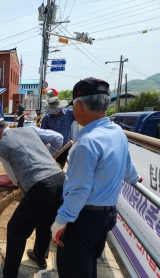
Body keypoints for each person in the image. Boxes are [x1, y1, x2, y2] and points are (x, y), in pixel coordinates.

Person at [51, 77, 141, 278]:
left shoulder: (87, 143)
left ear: (80, 106)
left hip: (84, 218)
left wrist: (59, 222)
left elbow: (79, 190)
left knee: (74, 270)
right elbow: (128, 168)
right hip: (107, 216)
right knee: (88, 266)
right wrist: (135, 179)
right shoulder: (118, 131)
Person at [0, 114, 65, 278]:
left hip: (41, 187)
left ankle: (9, 274)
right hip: (60, 180)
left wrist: (22, 185)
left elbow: (13, 176)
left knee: (16, 229)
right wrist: (49, 158)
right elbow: (58, 137)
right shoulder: (30, 130)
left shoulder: (1, 148)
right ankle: (40, 256)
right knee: (44, 221)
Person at [40, 96, 75, 169]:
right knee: (50, 169)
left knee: (60, 167)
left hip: (64, 147)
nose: (55, 112)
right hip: (51, 149)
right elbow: (42, 136)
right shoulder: (47, 118)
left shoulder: (69, 114)